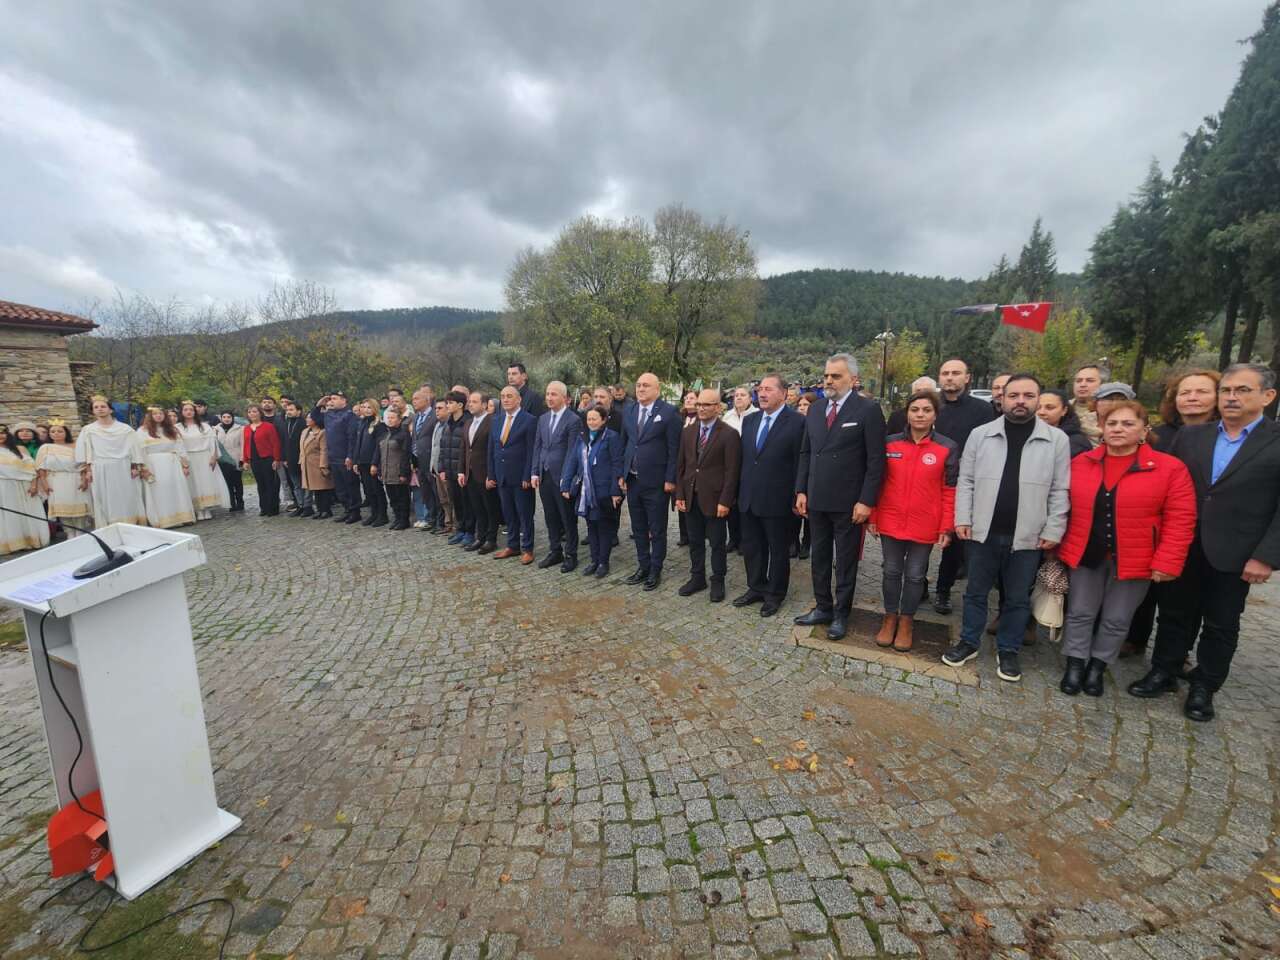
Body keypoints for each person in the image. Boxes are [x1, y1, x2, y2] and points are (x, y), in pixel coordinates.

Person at [1130, 364, 1280, 721]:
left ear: (1268, 396)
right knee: (1175, 613)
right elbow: (1167, 489)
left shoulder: (1274, 442)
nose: (1231, 397)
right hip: (1184, 544)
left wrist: (1266, 557)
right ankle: (1164, 671)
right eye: (1227, 390)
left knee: (1221, 623)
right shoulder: (1193, 437)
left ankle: (1204, 686)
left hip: (1238, 553)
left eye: (1243, 390)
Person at [1055, 401, 1197, 697]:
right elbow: (1062, 504)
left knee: (1118, 618)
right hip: (1087, 552)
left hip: (1136, 557)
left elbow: (1180, 517)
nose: (1118, 429)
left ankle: (1098, 666)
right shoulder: (1083, 462)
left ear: (1144, 431)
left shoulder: (1168, 468)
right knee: (1080, 611)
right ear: (1102, 429)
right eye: (1112, 424)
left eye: (1127, 424)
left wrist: (1168, 561)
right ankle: (1076, 663)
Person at [943, 373, 1070, 681]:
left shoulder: (1056, 440)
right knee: (975, 592)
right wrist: (962, 517)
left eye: (1028, 396)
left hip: (1027, 535)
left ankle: (1009, 649)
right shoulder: (981, 434)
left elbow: (1060, 489)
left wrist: (1054, 528)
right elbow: (967, 481)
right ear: (1001, 399)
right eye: (1014, 396)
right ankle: (969, 641)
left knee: (1016, 597)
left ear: (1038, 400)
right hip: (982, 531)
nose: (1020, 402)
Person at [1121, 369, 1221, 658]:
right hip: (1151, 524)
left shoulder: (1225, 435)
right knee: (1146, 590)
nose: (1192, 398)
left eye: (1201, 392)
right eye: (1185, 392)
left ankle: (1178, 654)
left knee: (1187, 600)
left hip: (1202, 529)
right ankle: (1136, 638)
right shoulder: (1158, 436)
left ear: (1216, 398)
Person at [794, 353, 887, 641]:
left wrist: (866, 501)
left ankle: (841, 613)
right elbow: (806, 452)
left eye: (836, 376)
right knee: (819, 557)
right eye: (827, 376)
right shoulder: (817, 408)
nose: (829, 380)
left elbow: (876, 461)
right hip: (817, 498)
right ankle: (823, 606)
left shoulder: (868, 410)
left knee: (845, 562)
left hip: (849, 502)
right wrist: (801, 490)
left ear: (853, 379)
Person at [869, 391, 957, 652]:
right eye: (915, 409)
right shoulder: (889, 444)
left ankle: (907, 620)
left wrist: (946, 527)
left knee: (916, 575)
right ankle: (889, 617)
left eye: (926, 410)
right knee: (891, 571)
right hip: (891, 519)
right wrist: (873, 516)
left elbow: (950, 490)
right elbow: (878, 482)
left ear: (935, 415)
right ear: (907, 413)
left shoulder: (947, 447)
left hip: (925, 523)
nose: (920, 414)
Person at [931, 359, 999, 615]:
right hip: (928, 482)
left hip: (962, 484)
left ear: (967, 378)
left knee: (954, 542)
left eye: (955, 373)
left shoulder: (982, 410)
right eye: (945, 373)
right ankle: (918, 584)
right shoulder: (930, 405)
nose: (950, 378)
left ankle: (943, 590)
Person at [735, 374, 805, 617]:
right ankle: (755, 587)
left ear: (784, 393)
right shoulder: (751, 420)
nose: (762, 394)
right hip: (749, 497)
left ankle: (775, 594)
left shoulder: (796, 422)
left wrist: (799, 493)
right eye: (760, 389)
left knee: (777, 550)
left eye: (768, 389)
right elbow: (747, 459)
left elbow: (800, 461)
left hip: (778, 499)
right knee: (753, 547)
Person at [674, 389, 742, 602]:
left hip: (715, 500)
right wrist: (680, 494)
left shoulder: (729, 434)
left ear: (718, 407)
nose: (701, 408)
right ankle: (697, 578)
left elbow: (733, 472)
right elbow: (682, 466)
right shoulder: (688, 431)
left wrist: (725, 500)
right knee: (694, 541)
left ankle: (718, 580)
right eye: (700, 404)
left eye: (707, 405)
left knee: (717, 543)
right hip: (691, 497)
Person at [621, 372, 682, 590]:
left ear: (657, 389)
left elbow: (675, 449)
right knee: (638, 527)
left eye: (646, 385)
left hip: (656, 482)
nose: (641, 389)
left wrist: (670, 479)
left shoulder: (669, 412)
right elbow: (625, 443)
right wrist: (622, 472)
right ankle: (643, 566)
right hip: (633, 480)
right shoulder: (629, 410)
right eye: (638, 385)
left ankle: (656, 569)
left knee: (657, 529)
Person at [561, 405, 625, 578]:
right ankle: (594, 561)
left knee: (603, 528)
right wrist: (565, 484)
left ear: (603, 420)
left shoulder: (612, 437)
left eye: (595, 419)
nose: (591, 422)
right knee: (591, 528)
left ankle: (604, 562)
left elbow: (617, 465)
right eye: (589, 419)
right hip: (585, 492)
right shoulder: (582, 438)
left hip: (603, 492)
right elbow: (572, 462)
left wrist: (615, 491)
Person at [531, 381, 582, 572]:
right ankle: (555, 551)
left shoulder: (573, 420)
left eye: (554, 394)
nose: (549, 398)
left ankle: (571, 554)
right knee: (550, 516)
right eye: (547, 394)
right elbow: (537, 446)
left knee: (567, 518)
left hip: (562, 477)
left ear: (564, 397)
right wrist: (534, 471)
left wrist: (567, 479)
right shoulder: (543, 419)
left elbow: (572, 451)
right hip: (545, 475)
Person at [75, 395, 147, 526]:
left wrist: (135, 466)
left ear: (110, 410)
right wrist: (88, 470)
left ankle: (130, 523)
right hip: (100, 467)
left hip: (122, 466)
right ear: (93, 411)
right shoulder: (88, 430)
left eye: (103, 406)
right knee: (105, 498)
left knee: (127, 496)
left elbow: (135, 449)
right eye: (96, 407)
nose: (100, 409)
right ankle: (109, 526)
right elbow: (85, 451)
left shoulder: (125, 429)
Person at [488, 385, 537, 563]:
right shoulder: (497, 420)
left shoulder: (529, 420)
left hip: (520, 477)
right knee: (508, 514)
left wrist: (527, 476)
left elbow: (532, 451)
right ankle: (512, 545)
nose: (506, 399)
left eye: (509, 396)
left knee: (525, 514)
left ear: (519, 400)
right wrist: (491, 474)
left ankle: (528, 548)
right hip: (502, 476)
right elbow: (492, 449)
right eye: (503, 396)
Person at [137, 406, 196, 528]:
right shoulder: (142, 431)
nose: (158, 416)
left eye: (161, 413)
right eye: (155, 414)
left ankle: (181, 517)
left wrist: (185, 465)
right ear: (150, 416)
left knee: (176, 489)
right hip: (153, 464)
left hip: (172, 463)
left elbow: (180, 447)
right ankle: (162, 520)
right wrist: (144, 468)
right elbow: (140, 451)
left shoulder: (171, 430)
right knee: (159, 491)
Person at [34, 419, 92, 533]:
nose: (56, 433)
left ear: (66, 433)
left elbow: (84, 466)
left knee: (78, 508)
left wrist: (84, 481)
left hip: (75, 479)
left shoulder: (76, 446)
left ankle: (80, 532)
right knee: (62, 509)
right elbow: (40, 468)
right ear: (49, 434)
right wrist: (45, 484)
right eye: (53, 431)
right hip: (55, 481)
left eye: (60, 431)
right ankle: (69, 532)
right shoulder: (45, 448)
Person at [719, 386, 758, 553]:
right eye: (736, 395)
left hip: (748, 466)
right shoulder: (727, 416)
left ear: (750, 398)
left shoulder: (757, 416)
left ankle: (745, 540)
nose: (739, 398)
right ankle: (733, 538)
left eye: (743, 395)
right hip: (729, 467)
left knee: (745, 506)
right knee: (731, 504)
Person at [0, 425, 49, 555]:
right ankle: (13, 543)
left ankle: (29, 541)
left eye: (3, 433)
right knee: (8, 516)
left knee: (25, 513)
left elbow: (31, 467)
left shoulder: (19, 449)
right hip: (3, 487)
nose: (1, 436)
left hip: (23, 486)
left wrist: (34, 485)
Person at [177, 401, 230, 519]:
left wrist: (213, 456)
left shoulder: (204, 426)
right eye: (185, 410)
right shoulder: (178, 428)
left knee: (206, 482)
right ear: (182, 412)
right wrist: (183, 461)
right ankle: (198, 509)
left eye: (191, 409)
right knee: (193, 483)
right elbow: (178, 446)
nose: (189, 412)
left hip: (205, 457)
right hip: (189, 458)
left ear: (195, 411)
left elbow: (213, 442)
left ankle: (207, 508)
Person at [460, 391, 496, 552]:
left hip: (485, 473)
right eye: (470, 402)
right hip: (470, 474)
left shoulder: (492, 422)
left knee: (490, 508)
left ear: (484, 404)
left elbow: (493, 450)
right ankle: (479, 537)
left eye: (474, 402)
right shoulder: (468, 423)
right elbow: (464, 449)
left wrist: (491, 474)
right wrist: (462, 471)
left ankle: (491, 539)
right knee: (477, 508)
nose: (470, 404)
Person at [440, 391, 473, 544]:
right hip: (450, 470)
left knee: (467, 502)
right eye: (447, 402)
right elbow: (443, 447)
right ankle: (460, 529)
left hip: (462, 471)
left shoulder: (468, 422)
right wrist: (442, 468)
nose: (448, 405)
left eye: (450, 403)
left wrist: (464, 470)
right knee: (456, 502)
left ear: (460, 405)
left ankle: (470, 531)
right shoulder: (448, 424)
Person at [371, 406, 412, 529]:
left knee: (402, 497)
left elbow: (406, 454)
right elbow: (378, 452)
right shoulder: (384, 434)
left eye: (393, 418)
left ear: (399, 419)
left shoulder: (403, 434)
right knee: (392, 498)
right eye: (388, 418)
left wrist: (404, 473)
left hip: (398, 470)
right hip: (386, 471)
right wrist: (377, 467)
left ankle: (404, 520)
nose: (390, 420)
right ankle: (397, 518)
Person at [321, 392, 358, 521]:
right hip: (333, 456)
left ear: (344, 401)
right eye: (330, 399)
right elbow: (314, 416)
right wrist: (321, 402)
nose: (331, 401)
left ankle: (355, 511)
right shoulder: (329, 414)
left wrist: (350, 455)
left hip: (345, 456)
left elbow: (351, 437)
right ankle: (347, 509)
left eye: (335, 399)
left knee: (350, 486)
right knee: (340, 488)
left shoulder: (349, 415)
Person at [241, 403, 282, 518]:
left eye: (254, 411)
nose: (252, 414)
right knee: (260, 484)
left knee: (270, 483)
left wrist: (276, 459)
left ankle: (272, 508)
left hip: (267, 458)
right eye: (249, 412)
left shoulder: (268, 426)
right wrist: (245, 460)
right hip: (254, 459)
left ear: (260, 413)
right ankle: (263, 507)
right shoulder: (246, 428)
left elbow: (275, 443)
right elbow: (245, 445)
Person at [353, 399, 389, 527]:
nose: (366, 409)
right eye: (364, 407)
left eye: (369, 407)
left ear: (374, 409)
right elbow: (358, 443)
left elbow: (379, 446)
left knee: (376, 489)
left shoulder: (379, 425)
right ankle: (374, 513)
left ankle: (382, 514)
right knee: (368, 490)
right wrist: (356, 460)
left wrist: (375, 463)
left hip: (372, 462)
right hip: (362, 461)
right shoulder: (362, 423)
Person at [408, 386, 439, 529]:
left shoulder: (434, 415)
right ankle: (432, 518)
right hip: (418, 461)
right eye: (413, 399)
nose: (414, 401)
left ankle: (440, 519)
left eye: (417, 398)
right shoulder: (416, 417)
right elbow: (415, 438)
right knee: (426, 493)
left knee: (436, 492)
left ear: (427, 400)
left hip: (430, 460)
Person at [1036, 389, 1093, 458]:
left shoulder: (1076, 443)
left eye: (1049, 408)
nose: (1041, 412)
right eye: (1037, 407)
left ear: (1064, 410)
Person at [299, 410, 335, 518]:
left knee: (323, 488)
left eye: (310, 418)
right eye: (307, 417)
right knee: (315, 489)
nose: (307, 419)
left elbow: (324, 450)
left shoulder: (322, 432)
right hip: (307, 464)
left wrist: (323, 465)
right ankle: (319, 510)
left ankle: (326, 510)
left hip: (317, 463)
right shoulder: (305, 431)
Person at [260, 396, 293, 508]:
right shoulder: (259, 420)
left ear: (274, 405)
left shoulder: (280, 418)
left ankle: (289, 501)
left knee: (284, 479)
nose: (266, 404)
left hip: (280, 453)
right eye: (264, 402)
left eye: (269, 402)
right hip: (264, 454)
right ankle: (273, 501)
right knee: (268, 481)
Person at [429, 398, 455, 536]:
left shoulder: (449, 425)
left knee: (451, 498)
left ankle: (455, 525)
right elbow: (434, 448)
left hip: (446, 468)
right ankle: (448, 523)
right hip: (436, 468)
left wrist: (443, 467)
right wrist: (432, 467)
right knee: (443, 499)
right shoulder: (437, 425)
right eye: (436, 408)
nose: (437, 411)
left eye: (440, 408)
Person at [279, 399, 309, 516]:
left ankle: (307, 506)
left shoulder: (303, 423)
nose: (288, 412)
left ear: (299, 411)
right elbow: (284, 442)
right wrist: (285, 458)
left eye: (291, 410)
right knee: (296, 485)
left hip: (302, 458)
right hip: (290, 459)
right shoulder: (287, 423)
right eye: (287, 410)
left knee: (305, 484)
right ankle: (300, 505)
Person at [213, 410, 246, 513]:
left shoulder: (240, 429)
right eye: (224, 417)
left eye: (229, 417)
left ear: (232, 418)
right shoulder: (215, 430)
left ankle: (240, 502)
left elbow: (243, 444)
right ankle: (231, 503)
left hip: (236, 459)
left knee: (237, 482)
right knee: (227, 483)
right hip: (222, 460)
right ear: (221, 418)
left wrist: (242, 458)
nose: (226, 419)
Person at [1071, 364, 1105, 445]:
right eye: (1078, 381)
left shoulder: (1113, 411)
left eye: (1090, 380)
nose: (1082, 384)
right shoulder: (1061, 408)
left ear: (1103, 384)